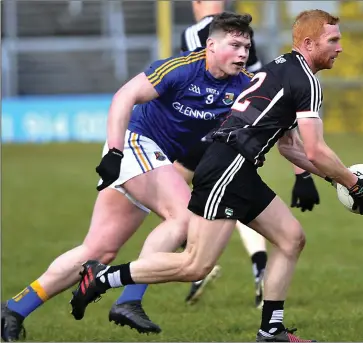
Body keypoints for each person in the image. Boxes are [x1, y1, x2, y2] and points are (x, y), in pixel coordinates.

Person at [69, 9, 363, 342]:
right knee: (195, 265)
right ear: (308, 43)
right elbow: (316, 149)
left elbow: (291, 148)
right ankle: (104, 277)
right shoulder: (306, 80)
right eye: (333, 40)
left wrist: (333, 179)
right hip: (228, 168)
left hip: (238, 167)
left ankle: (271, 330)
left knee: (292, 239)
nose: (340, 47)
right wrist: (352, 183)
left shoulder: (283, 68)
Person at [1, 12, 255, 341]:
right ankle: (129, 299)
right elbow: (125, 96)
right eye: (234, 45)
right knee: (183, 217)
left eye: (247, 47)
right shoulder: (181, 68)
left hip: (154, 160)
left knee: (98, 250)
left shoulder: (242, 85)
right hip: (135, 145)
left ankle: (14, 309)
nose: (242, 53)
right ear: (210, 45)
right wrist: (114, 152)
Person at [177, 0, 321, 309]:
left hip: (217, 129)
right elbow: (269, 96)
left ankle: (190, 258)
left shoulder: (198, 33)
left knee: (177, 191)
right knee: (233, 198)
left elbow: (198, 78)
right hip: (249, 131)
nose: (241, 52)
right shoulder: (245, 35)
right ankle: (253, 267)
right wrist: (302, 173)